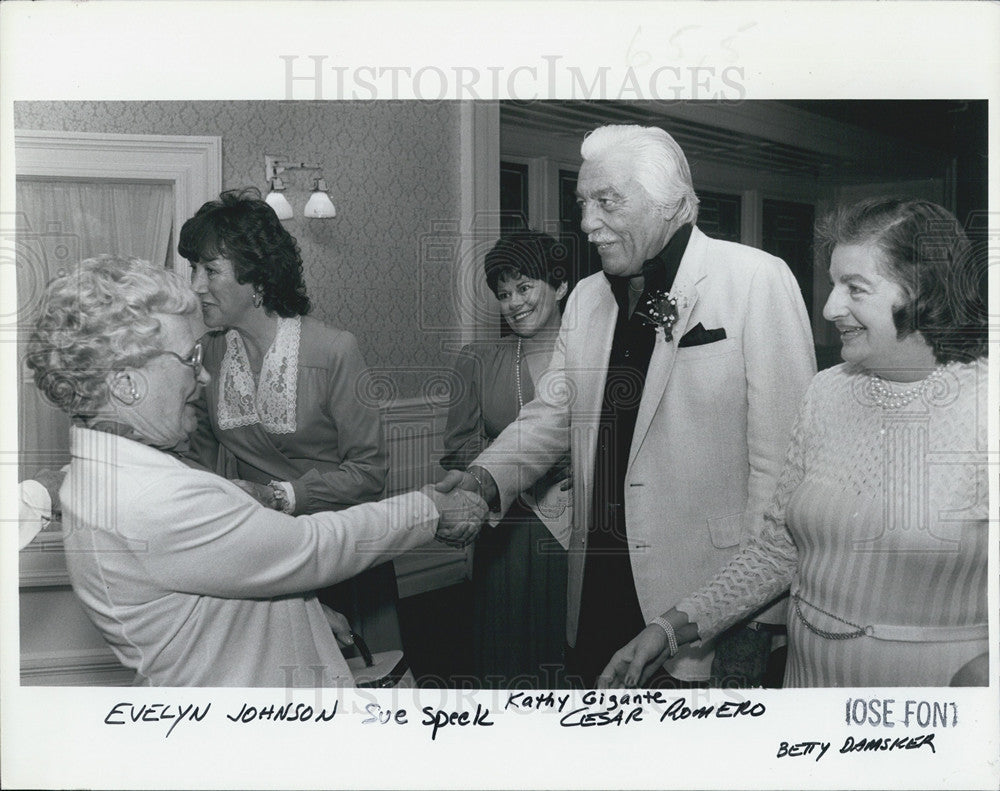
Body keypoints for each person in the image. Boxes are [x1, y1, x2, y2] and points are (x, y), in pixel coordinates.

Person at [438, 124, 816, 688]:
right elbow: (552, 414)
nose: (588, 223)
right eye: (583, 204)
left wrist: (758, 625)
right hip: (594, 588)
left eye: (606, 202)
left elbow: (784, 472)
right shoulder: (589, 297)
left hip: (704, 606)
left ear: (666, 202)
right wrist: (481, 481)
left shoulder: (755, 279)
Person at [26, 255, 484, 687]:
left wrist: (297, 612)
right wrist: (431, 507)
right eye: (189, 361)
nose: (202, 377)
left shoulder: (103, 471)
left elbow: (206, 588)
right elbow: (312, 547)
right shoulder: (153, 496)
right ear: (127, 384)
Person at [600, 198, 989, 688]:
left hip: (931, 705)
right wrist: (667, 630)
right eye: (833, 284)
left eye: (856, 289)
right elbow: (778, 551)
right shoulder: (827, 392)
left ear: (922, 291)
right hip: (807, 688)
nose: (829, 308)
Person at [179, 189, 400, 653]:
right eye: (193, 269)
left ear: (256, 277)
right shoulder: (208, 355)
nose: (196, 285)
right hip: (264, 559)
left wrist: (278, 495)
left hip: (339, 552)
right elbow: (192, 461)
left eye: (210, 270)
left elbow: (369, 474)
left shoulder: (335, 349)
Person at [442, 231, 572, 687]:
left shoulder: (596, 357)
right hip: (508, 530)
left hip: (576, 530)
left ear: (560, 287)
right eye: (503, 294)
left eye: (524, 287)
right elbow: (458, 447)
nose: (513, 303)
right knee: (509, 651)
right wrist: (515, 471)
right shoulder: (478, 360)